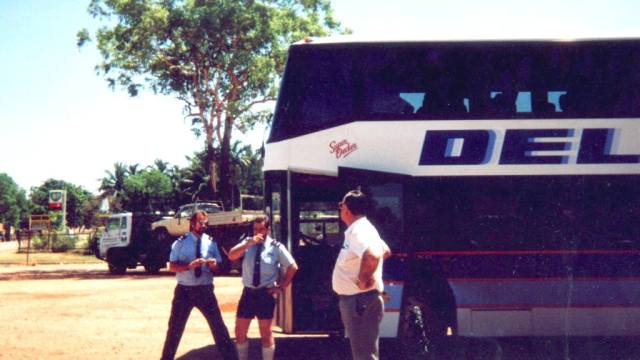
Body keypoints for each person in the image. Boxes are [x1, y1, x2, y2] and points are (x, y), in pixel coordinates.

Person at [161, 210, 237, 360]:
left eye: (206, 223)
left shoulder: (211, 242)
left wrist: (214, 265)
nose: (204, 226)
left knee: (219, 328)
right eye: (201, 223)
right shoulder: (180, 242)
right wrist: (189, 266)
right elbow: (172, 267)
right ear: (192, 223)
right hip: (185, 291)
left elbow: (220, 267)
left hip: (205, 290)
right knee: (175, 329)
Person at [228, 216, 298, 360]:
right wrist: (248, 244)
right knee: (239, 332)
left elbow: (293, 267)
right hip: (248, 293)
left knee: (265, 333)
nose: (258, 232)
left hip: (265, 294)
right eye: (255, 229)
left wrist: (281, 287)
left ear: (268, 229)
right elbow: (231, 255)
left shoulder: (276, 247)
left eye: (261, 229)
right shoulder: (247, 242)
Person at [332, 190, 391, 360]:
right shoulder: (361, 228)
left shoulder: (360, 231)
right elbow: (385, 251)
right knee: (364, 353)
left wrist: (364, 278)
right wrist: (369, 272)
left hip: (359, 300)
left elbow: (373, 254)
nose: (340, 208)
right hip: (360, 299)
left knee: (364, 355)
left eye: (341, 205)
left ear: (347, 210)